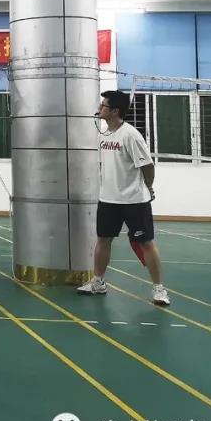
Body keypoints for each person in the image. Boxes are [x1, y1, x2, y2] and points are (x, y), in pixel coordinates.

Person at [77, 91, 170, 306]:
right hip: (108, 199)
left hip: (134, 200)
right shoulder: (103, 135)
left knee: (146, 243)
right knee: (103, 240)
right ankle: (98, 282)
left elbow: (147, 166)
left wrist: (148, 187)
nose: (99, 108)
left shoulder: (130, 135)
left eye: (103, 105)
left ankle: (159, 289)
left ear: (114, 111)